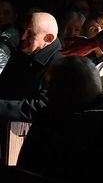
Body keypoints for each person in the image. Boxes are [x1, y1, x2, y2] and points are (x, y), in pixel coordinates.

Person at [0, 12, 63, 161]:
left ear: (48, 39)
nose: (23, 37)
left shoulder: (59, 66)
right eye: (24, 31)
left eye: (30, 34)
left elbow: (41, 107)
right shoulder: (23, 53)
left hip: (31, 144)